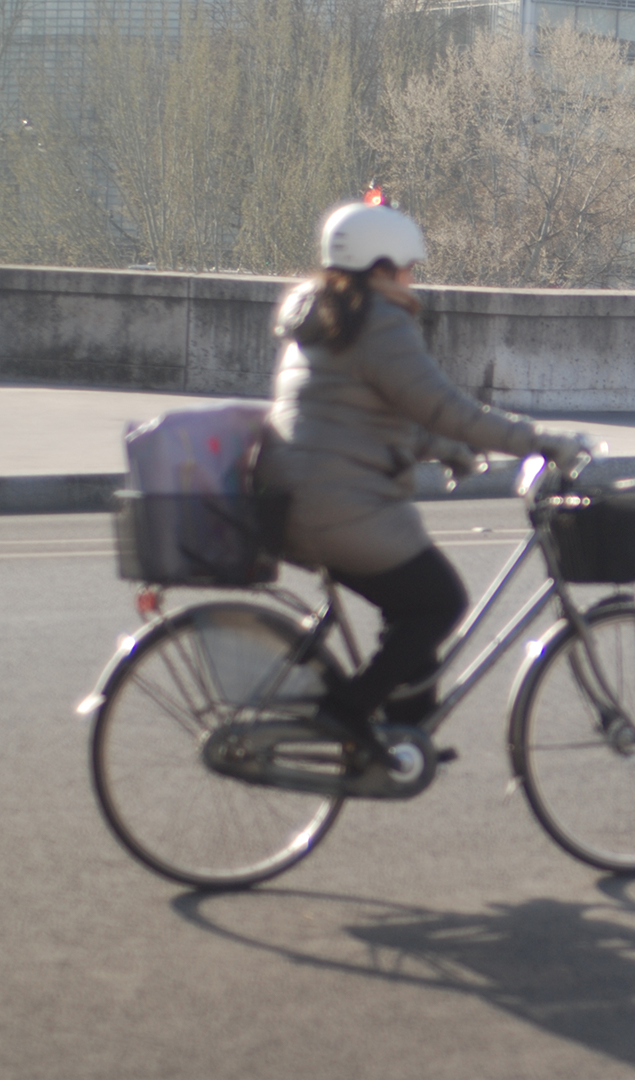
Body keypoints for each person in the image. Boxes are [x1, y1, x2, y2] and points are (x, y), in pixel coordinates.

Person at [258, 202, 588, 767]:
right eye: (408, 267)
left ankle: (402, 739)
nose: (412, 277)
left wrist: (448, 451)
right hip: (335, 506)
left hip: (291, 498)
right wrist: (537, 440)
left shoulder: (325, 318)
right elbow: (441, 405)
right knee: (440, 601)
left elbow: (359, 416)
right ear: (382, 265)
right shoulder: (377, 322)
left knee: (410, 608)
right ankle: (347, 712)